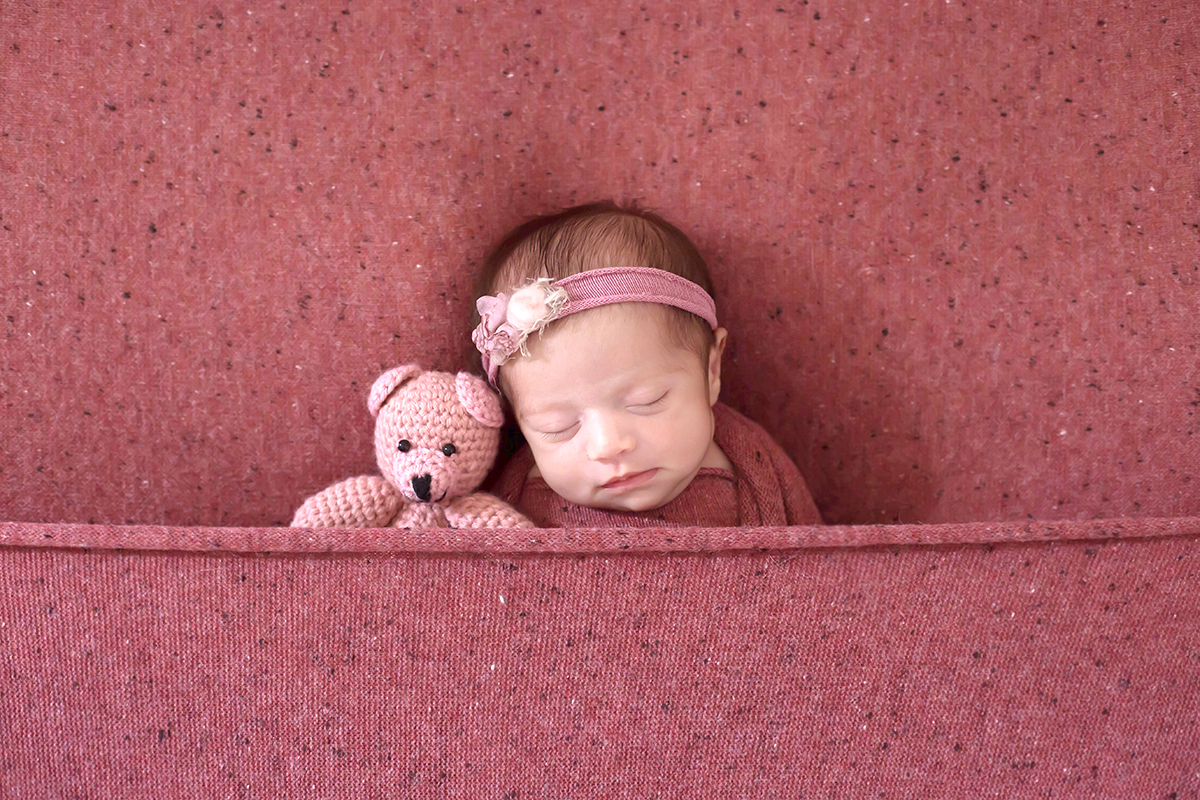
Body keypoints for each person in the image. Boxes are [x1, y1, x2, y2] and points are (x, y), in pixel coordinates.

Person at [471, 201, 821, 528]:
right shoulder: (514, 503)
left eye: (647, 401)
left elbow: (819, 561)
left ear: (711, 370)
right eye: (557, 427)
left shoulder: (752, 463)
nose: (608, 445)